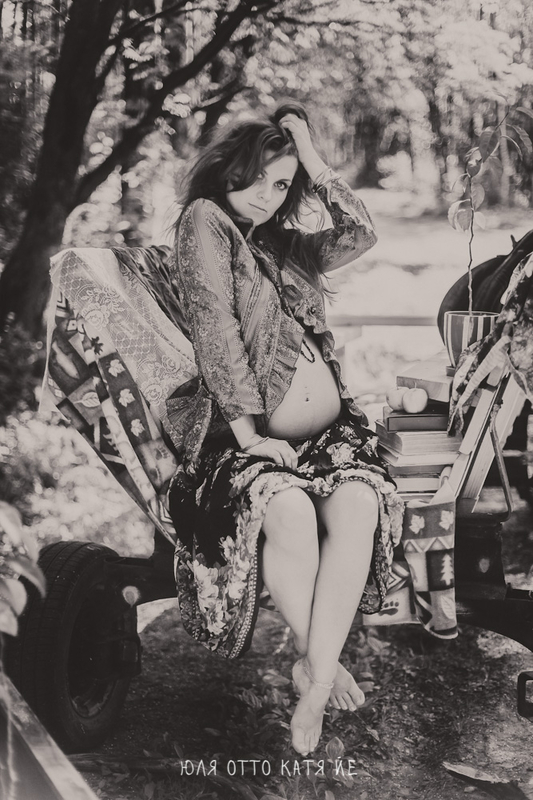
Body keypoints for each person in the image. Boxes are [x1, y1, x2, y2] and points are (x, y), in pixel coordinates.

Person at [167, 102, 404, 757]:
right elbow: (215, 326)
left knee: (357, 506)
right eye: (255, 179)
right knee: (291, 512)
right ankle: (321, 664)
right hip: (244, 433)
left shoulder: (285, 244)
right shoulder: (206, 220)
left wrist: (309, 153)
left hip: (330, 436)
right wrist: (248, 434)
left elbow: (360, 233)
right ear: (227, 169)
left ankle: (314, 676)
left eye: (280, 184)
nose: (265, 196)